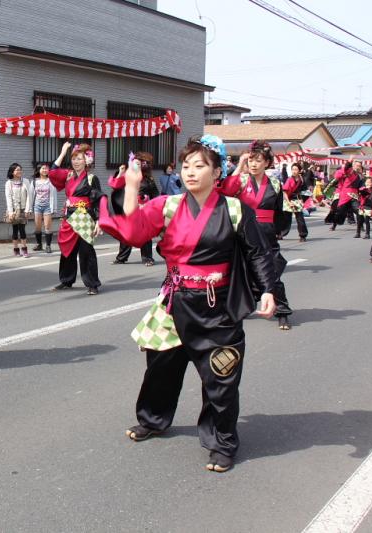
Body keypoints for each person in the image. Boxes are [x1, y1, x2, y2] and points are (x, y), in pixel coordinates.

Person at [99, 135, 275, 473]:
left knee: (221, 376)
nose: (190, 172)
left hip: (217, 305)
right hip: (175, 301)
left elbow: (258, 253)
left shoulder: (235, 209)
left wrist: (267, 290)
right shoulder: (168, 205)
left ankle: (222, 442)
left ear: (217, 171)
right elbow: (135, 233)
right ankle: (153, 419)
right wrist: (133, 186)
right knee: (160, 367)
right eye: (186, 165)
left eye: (200, 165)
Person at [217, 140, 293, 330]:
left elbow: (280, 209)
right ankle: (236, 308)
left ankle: (282, 311)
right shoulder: (242, 180)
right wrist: (240, 165)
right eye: (251, 160)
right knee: (241, 273)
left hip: (267, 232)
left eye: (258, 161)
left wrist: (279, 230)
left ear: (267, 163)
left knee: (273, 272)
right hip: (246, 231)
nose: (253, 164)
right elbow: (225, 190)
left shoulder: (275, 183)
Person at [48, 141, 104, 295]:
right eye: (73, 159)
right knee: (67, 249)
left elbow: (98, 200)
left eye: (79, 159)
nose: (76, 162)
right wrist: (63, 152)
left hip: (85, 216)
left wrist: (99, 221)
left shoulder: (92, 178)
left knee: (86, 250)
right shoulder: (68, 176)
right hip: (69, 216)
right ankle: (66, 280)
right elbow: (52, 172)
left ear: (87, 161)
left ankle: (92, 283)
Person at [111, 151, 160, 266]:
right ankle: (121, 258)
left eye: (141, 163)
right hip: (129, 207)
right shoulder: (127, 175)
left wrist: (148, 203)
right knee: (126, 233)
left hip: (143, 210)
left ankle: (147, 258)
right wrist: (120, 172)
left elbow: (156, 196)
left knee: (144, 234)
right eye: (136, 163)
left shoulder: (149, 180)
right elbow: (114, 185)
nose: (139, 165)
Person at [4, 162, 32, 257]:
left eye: (20, 169)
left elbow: (29, 196)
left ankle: (24, 249)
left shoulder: (26, 181)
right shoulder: (9, 183)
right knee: (15, 230)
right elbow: (8, 198)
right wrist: (11, 212)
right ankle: (16, 249)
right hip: (14, 210)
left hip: (24, 209)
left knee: (22, 229)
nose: (19, 171)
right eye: (17, 170)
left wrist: (28, 209)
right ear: (12, 172)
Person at [29, 163, 57, 253]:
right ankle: (39, 245)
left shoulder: (51, 181)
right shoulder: (34, 181)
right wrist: (29, 208)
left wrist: (54, 208)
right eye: (43, 168)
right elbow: (30, 196)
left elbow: (54, 195)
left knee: (47, 227)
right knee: (37, 227)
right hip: (37, 206)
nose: (45, 170)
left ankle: (48, 246)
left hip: (47, 207)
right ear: (39, 170)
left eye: (46, 168)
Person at [281, 162, 309, 242]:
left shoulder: (302, 179)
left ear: (299, 171)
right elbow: (285, 192)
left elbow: (305, 191)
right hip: (288, 199)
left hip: (297, 200)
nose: (294, 171)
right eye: (292, 169)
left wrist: (302, 201)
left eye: (296, 169)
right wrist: (288, 202)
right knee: (286, 219)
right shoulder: (289, 179)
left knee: (300, 218)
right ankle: (281, 233)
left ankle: (303, 235)